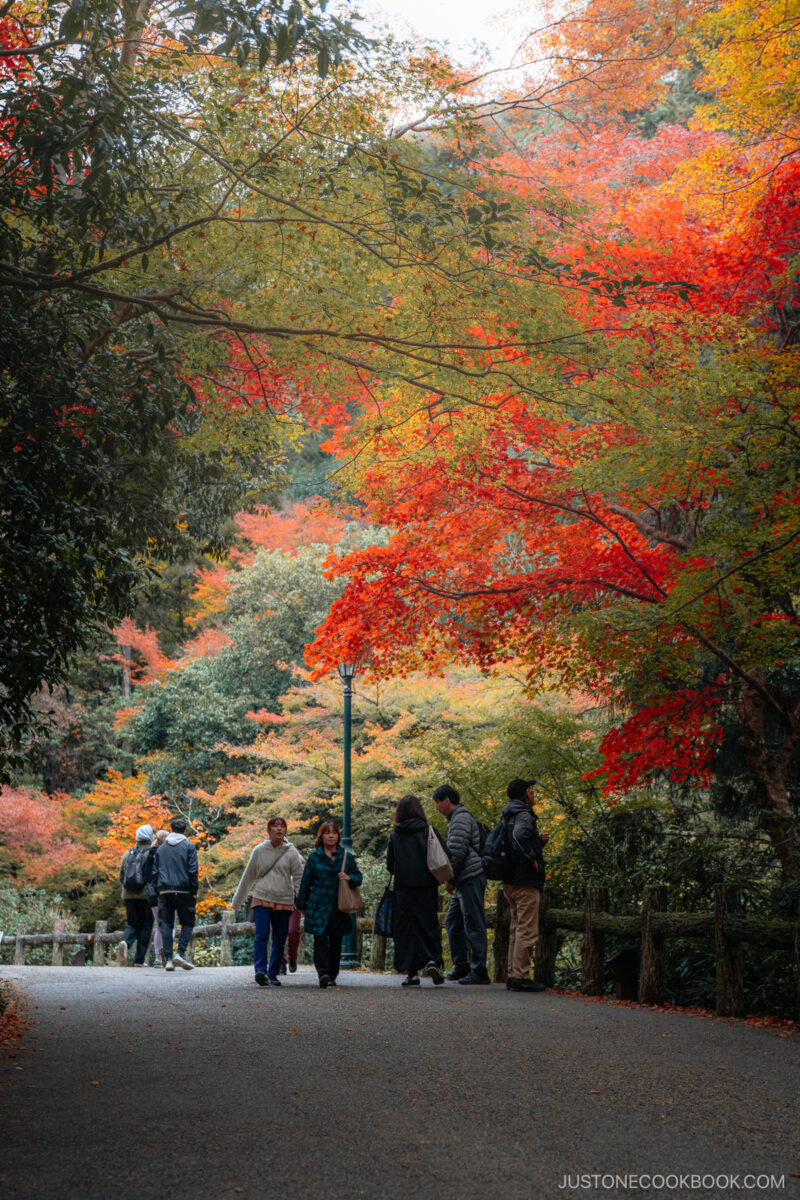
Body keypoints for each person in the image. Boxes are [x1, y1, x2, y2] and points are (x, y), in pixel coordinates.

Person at [231, 817, 305, 987]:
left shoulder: (292, 852)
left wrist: (301, 902)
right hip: (262, 897)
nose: (279, 829)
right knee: (261, 934)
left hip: (284, 899)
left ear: (286, 830)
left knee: (279, 938)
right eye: (275, 826)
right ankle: (260, 971)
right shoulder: (259, 850)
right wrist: (237, 902)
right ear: (268, 830)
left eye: (282, 826)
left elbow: (299, 878)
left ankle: (273, 974)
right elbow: (247, 876)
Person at [386, 795, 446, 987]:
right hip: (426, 887)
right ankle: (431, 960)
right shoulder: (428, 831)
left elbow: (390, 865)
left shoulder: (396, 835)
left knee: (406, 929)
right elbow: (443, 855)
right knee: (427, 924)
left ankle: (411, 973)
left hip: (403, 889)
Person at [432, 784, 490, 985]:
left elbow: (457, 851)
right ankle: (461, 966)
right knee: (453, 922)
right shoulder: (457, 819)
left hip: (470, 875)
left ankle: (479, 970)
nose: (438, 808)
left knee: (473, 922)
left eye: (438, 803)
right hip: (464, 877)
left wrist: (450, 878)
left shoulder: (461, 818)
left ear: (447, 800)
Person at [296, 822, 362, 989]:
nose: (331, 835)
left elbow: (358, 876)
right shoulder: (314, 857)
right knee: (320, 939)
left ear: (338, 836)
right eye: (327, 833)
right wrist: (301, 903)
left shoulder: (346, 856)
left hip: (338, 904)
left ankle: (332, 974)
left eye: (334, 833)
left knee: (336, 940)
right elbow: (306, 882)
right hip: (318, 903)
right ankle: (323, 973)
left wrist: (349, 877)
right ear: (321, 836)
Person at [502, 778, 548, 993]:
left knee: (516, 928)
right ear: (525, 794)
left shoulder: (509, 813)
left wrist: (538, 843)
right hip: (525, 881)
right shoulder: (524, 814)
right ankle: (521, 976)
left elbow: (515, 840)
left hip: (510, 879)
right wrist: (532, 859)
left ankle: (513, 974)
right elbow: (518, 839)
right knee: (526, 930)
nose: (533, 793)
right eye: (530, 789)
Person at [152, 817, 198, 972]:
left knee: (165, 924)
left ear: (171, 829)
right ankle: (180, 953)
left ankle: (169, 959)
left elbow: (154, 872)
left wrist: (158, 888)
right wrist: (194, 891)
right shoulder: (189, 847)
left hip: (164, 890)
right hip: (184, 890)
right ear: (184, 831)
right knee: (188, 922)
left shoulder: (161, 849)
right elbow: (193, 871)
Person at [117, 824, 156, 967]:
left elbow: (121, 875)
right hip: (146, 895)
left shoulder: (129, 853)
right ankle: (139, 960)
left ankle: (125, 942)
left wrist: (128, 888)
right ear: (149, 837)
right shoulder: (151, 852)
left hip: (128, 895)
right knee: (146, 926)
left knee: (132, 923)